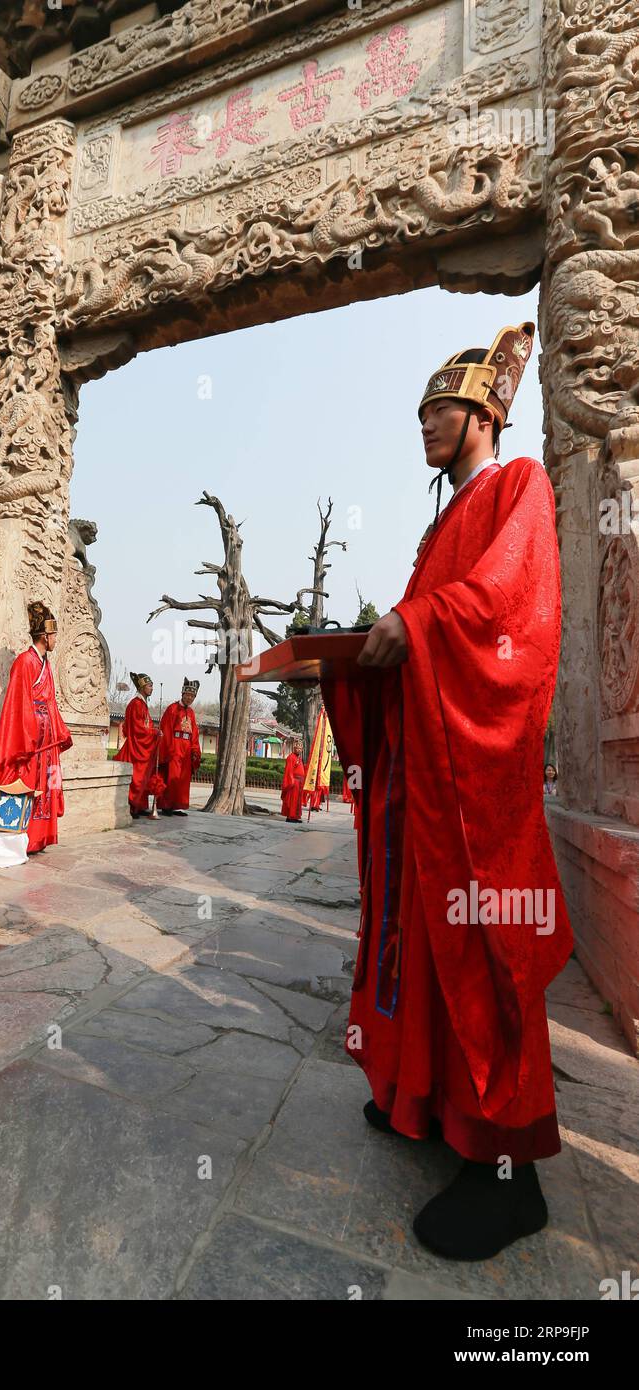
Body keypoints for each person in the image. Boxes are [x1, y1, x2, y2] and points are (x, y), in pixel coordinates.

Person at [325, 322, 573, 1261]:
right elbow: (412, 632)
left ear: (482, 412)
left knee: (479, 951)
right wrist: (352, 661)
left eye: (438, 408)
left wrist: (418, 621)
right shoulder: (438, 525)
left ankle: (510, 1176)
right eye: (422, 409)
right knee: (416, 945)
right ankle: (423, 1101)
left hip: (473, 774)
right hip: (416, 772)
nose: (423, 422)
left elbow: (513, 607)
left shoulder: (522, 487)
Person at [0, 601, 73, 859]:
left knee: (48, 786)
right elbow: (18, 705)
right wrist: (29, 738)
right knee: (28, 787)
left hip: (47, 743)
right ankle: (24, 838)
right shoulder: (24, 662)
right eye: (54, 634)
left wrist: (60, 732)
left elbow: (51, 702)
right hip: (31, 742)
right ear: (44, 636)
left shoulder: (46, 665)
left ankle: (40, 836)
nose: (56, 639)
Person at [114, 673, 159, 818]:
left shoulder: (143, 705)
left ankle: (139, 805)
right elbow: (138, 729)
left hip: (142, 746)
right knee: (136, 778)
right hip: (135, 747)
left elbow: (148, 725)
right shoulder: (136, 704)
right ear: (142, 687)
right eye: (149, 686)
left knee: (143, 777)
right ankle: (131, 806)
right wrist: (153, 732)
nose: (152, 688)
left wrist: (154, 731)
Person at [157, 678, 202, 816]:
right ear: (182, 694)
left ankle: (177, 805)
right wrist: (169, 748)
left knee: (183, 778)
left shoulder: (192, 713)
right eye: (187, 695)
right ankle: (166, 805)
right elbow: (166, 729)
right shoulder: (172, 709)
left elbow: (194, 733)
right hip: (175, 746)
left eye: (192, 696)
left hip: (187, 748)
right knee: (172, 776)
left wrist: (195, 749)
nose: (189, 698)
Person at [281, 739, 305, 822]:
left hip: (299, 783)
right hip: (294, 782)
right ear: (294, 748)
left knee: (297, 801)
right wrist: (292, 782)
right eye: (297, 748)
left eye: (300, 748)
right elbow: (289, 771)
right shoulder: (291, 757)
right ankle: (290, 817)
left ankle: (295, 817)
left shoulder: (299, 758)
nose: (299, 750)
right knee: (292, 801)